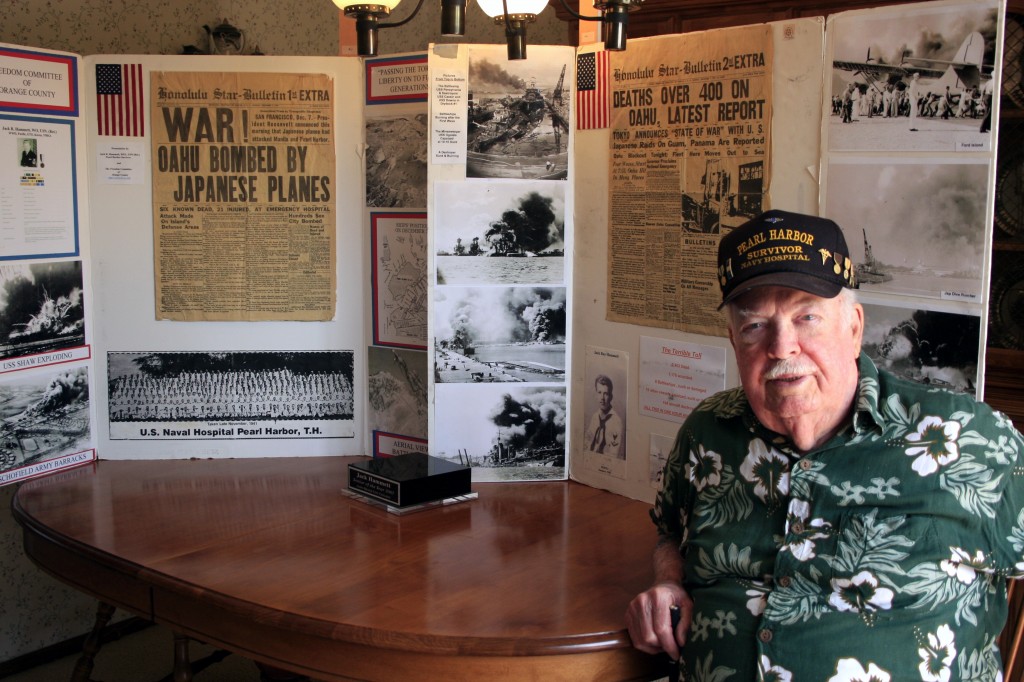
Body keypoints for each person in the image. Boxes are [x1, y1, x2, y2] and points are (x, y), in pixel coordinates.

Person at [626, 209, 1024, 681]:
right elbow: (670, 530)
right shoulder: (707, 432)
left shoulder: (970, 439)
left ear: (854, 328)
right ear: (734, 341)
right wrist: (667, 580)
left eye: (807, 316)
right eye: (755, 326)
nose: (782, 347)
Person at [585, 374, 624, 458]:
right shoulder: (595, 417)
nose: (602, 398)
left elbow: (614, 455)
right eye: (599, 392)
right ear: (596, 395)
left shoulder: (616, 421)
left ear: (611, 396)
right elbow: (587, 443)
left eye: (606, 393)